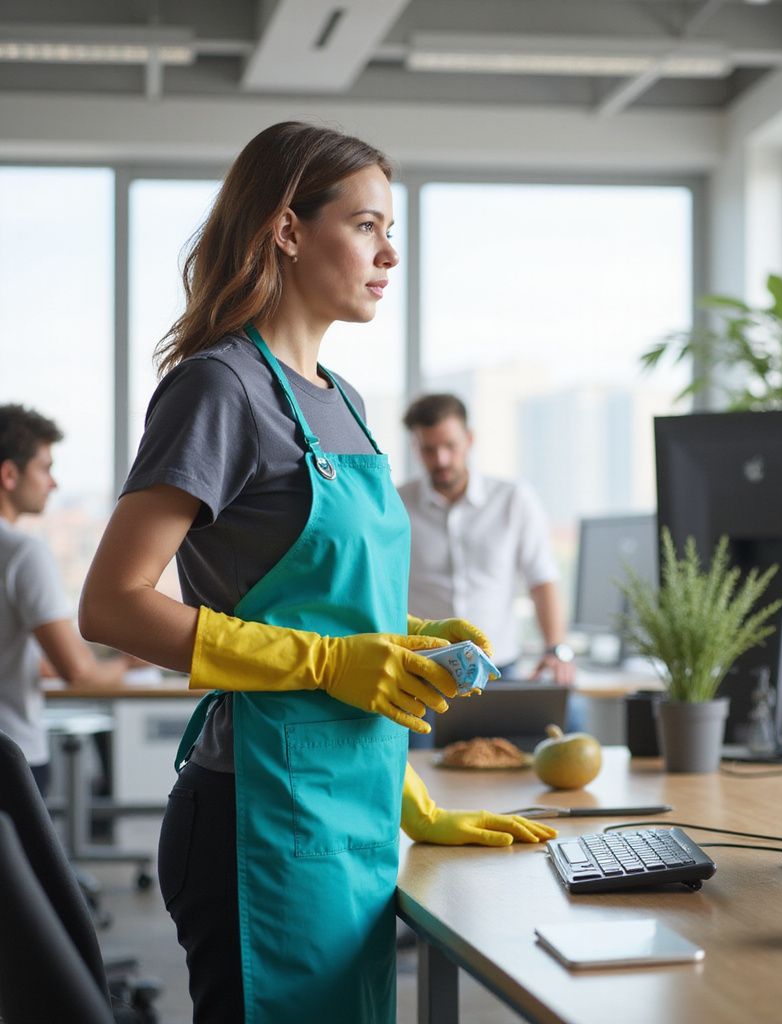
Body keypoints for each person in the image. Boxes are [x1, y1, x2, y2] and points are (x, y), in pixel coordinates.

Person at [78, 122, 555, 1024]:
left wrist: (409, 686)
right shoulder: (219, 388)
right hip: (257, 816)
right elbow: (110, 605)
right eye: (368, 225)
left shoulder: (346, 402)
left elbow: (333, 616)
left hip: (353, 808)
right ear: (287, 230)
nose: (391, 252)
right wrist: (333, 666)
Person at [0, 404, 135, 795]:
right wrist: (127, 663)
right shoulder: (22, 552)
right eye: (45, 468)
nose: (53, 484)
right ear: (9, 474)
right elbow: (80, 673)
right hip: (12, 757)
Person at [399, 393, 577, 684]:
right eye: (429, 450)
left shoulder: (513, 498)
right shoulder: (397, 505)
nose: (441, 459)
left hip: (498, 669)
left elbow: (541, 579)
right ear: (415, 448)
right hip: (422, 667)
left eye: (450, 446)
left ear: (469, 439)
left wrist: (555, 650)